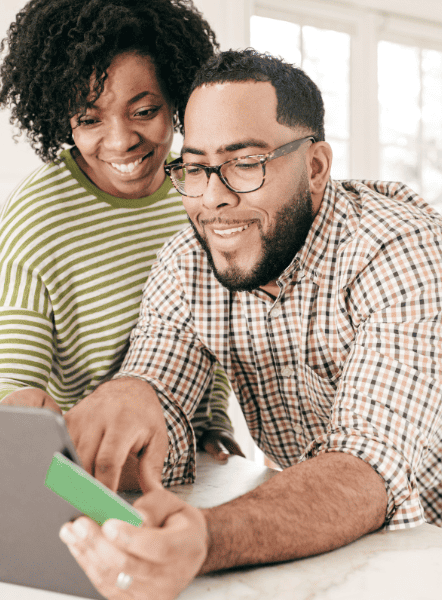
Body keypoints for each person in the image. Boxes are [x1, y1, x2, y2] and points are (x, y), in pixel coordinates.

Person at [59, 48, 442, 599]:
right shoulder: (188, 262)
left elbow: (366, 468)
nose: (213, 199)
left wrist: (206, 540)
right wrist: (112, 415)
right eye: (194, 168)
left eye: (244, 163)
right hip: (340, 560)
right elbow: (151, 400)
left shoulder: (398, 250)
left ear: (315, 168)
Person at [0, 0, 243, 488]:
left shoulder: (201, 188)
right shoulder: (38, 213)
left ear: (177, 98)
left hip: (188, 466)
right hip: (90, 472)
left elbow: (213, 322)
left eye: (144, 111)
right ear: (59, 116)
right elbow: (1, 373)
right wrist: (10, 402)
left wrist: (215, 421)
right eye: (89, 119)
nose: (120, 142)